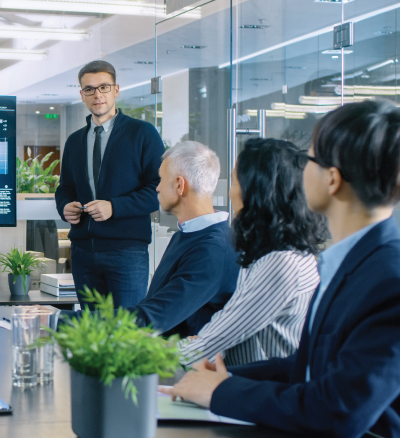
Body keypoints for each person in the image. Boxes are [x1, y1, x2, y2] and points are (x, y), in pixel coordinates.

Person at [162, 100, 400, 438]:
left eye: (311, 158)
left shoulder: (388, 278)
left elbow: (339, 409)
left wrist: (219, 392)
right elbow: (309, 366)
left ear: (332, 180)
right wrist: (228, 378)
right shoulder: (349, 260)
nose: (300, 169)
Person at [179, 138, 326, 367]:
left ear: (256, 193)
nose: (230, 193)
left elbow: (212, 342)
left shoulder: (280, 264)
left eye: (235, 182)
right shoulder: (275, 254)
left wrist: (138, 353)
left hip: (261, 392)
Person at [55, 60, 164, 309]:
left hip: (127, 253)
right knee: (94, 333)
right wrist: (65, 206)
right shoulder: (74, 141)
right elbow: (65, 188)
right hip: (83, 252)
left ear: (116, 90)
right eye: (90, 89)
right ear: (82, 95)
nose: (97, 95)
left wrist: (114, 207)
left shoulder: (143, 134)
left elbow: (159, 188)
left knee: (127, 332)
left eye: (104, 87)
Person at [129, 141, 239, 337]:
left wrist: (59, 319)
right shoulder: (189, 233)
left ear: (180, 185)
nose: (157, 188)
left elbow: (152, 319)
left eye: (161, 179)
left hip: (183, 364)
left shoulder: (212, 250)